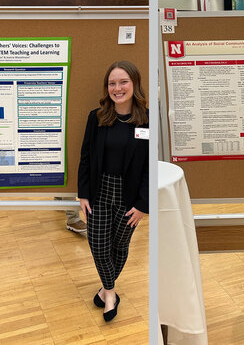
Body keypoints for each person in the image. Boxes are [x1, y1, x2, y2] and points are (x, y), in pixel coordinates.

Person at [78, 60, 148, 322]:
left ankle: (106, 289)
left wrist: (143, 204)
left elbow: (149, 168)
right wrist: (83, 193)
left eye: (123, 82)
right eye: (112, 83)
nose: (117, 88)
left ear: (134, 84)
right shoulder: (96, 118)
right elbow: (85, 157)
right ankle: (110, 292)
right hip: (99, 191)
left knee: (119, 246)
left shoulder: (147, 122)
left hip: (130, 196)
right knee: (98, 245)